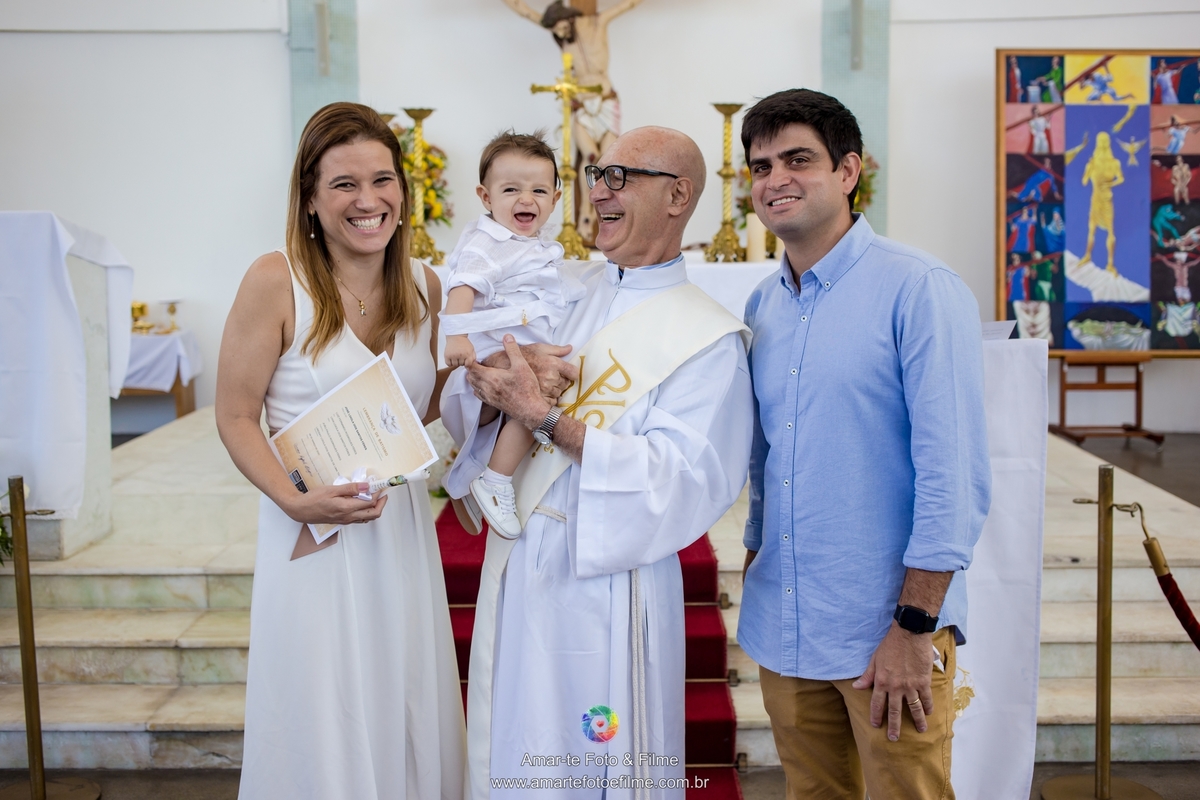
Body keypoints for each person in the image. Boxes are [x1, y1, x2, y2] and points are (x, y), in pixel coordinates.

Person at [441, 126, 754, 798]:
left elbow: (683, 483)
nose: (600, 192)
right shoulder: (566, 289)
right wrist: (491, 392)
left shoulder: (708, 339)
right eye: (597, 175)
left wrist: (548, 419)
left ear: (677, 196)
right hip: (524, 559)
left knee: (590, 760)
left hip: (609, 582)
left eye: (622, 177)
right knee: (519, 748)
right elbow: (477, 398)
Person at [737, 89, 991, 800]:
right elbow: (767, 456)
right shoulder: (764, 304)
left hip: (882, 628)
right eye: (760, 167)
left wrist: (914, 626)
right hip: (786, 625)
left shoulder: (918, 289)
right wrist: (757, 547)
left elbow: (954, 473)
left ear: (848, 171)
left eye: (797, 160)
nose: (774, 179)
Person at [215, 102, 465, 799]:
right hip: (310, 528)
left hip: (400, 526)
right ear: (311, 200)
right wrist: (295, 498)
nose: (369, 201)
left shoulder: (430, 288)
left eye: (383, 180)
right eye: (344, 184)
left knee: (403, 689)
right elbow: (235, 415)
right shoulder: (277, 278)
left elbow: (432, 410)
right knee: (322, 705)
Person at [440, 130, 584, 538]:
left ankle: (478, 474)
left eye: (539, 189)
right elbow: (462, 285)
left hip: (518, 340)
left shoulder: (526, 241)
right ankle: (495, 480)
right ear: (486, 197)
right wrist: (457, 336)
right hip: (496, 345)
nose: (526, 199)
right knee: (530, 401)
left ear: (556, 199)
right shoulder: (489, 241)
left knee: (534, 404)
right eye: (511, 189)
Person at [502, 0, 645, 245]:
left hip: (606, 102)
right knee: (589, 158)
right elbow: (527, 12)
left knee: (608, 162)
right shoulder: (562, 33)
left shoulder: (596, 22)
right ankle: (585, 217)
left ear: (566, 18)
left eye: (559, 28)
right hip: (581, 105)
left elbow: (628, 5)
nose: (558, 34)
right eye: (555, 31)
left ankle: (606, 215)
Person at [1082, 131, 1125, 274]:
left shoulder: (1114, 163)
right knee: (1091, 229)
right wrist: (1088, 167)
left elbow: (1121, 178)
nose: (1102, 144)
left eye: (1104, 142)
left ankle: (1110, 264)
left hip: (1107, 199)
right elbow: (1084, 181)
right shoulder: (1092, 163)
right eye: (1100, 142)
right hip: (1095, 200)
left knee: (1111, 231)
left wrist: (1111, 184)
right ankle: (1087, 255)